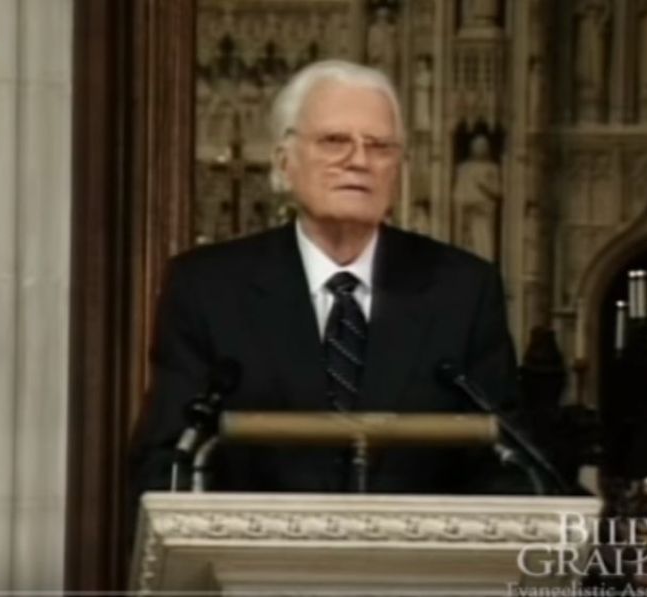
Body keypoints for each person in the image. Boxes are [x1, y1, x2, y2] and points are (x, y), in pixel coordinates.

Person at [130, 60, 518, 498]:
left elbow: (508, 460)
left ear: (400, 168)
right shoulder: (208, 288)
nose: (359, 161)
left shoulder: (462, 289)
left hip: (414, 561)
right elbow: (168, 461)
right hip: (257, 561)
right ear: (283, 161)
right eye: (335, 141)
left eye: (380, 146)